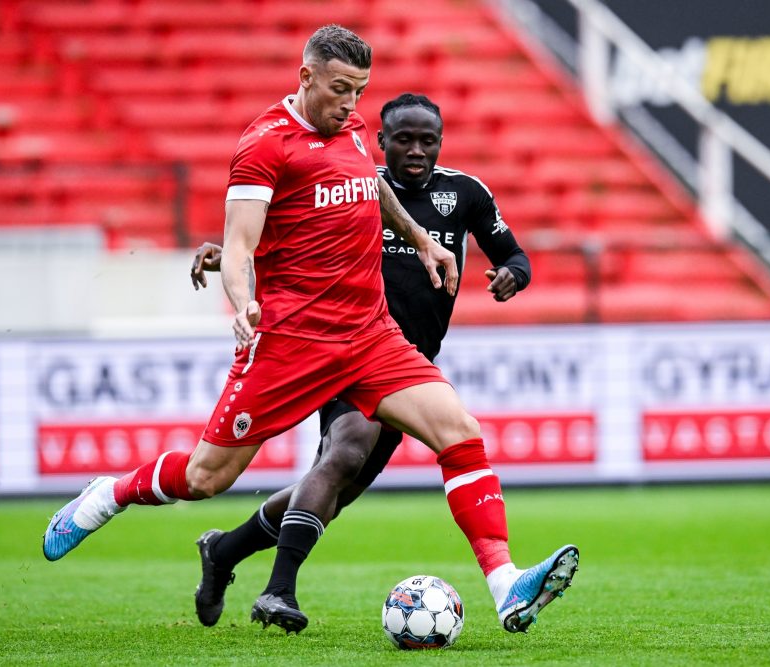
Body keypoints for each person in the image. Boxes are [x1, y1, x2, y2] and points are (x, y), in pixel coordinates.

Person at [42, 25, 578, 636]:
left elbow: (367, 184)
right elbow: (241, 245)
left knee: (460, 432)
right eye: (340, 90)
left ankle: (506, 585)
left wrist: (424, 238)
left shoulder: (347, 127)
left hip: (371, 335)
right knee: (204, 478)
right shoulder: (264, 146)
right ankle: (108, 495)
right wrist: (243, 303)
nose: (351, 105)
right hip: (292, 343)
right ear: (305, 78)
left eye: (359, 92)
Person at [190, 92, 576, 634]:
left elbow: (512, 252)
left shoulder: (465, 194)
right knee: (345, 453)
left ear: (441, 143)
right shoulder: (351, 183)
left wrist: (514, 274)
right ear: (381, 141)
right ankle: (278, 591)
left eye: (428, 140)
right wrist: (227, 250)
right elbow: (272, 223)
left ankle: (225, 551)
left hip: (406, 365)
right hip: (346, 346)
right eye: (404, 139)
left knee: (335, 492)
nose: (416, 150)